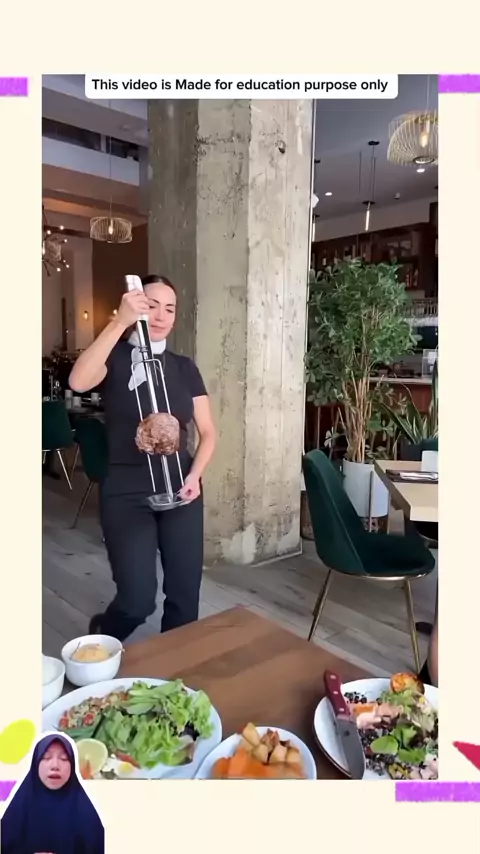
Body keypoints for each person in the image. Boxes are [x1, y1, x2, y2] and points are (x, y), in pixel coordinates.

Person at [69, 275, 216, 642]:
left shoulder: (184, 367)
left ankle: (174, 667)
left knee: (184, 597)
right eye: (151, 305)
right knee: (137, 601)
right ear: (135, 306)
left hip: (181, 488)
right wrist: (119, 322)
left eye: (170, 308)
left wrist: (194, 476)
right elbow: (78, 382)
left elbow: (208, 432)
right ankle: (104, 635)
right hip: (126, 493)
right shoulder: (115, 355)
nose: (161, 315)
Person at [0, 733, 104, 854]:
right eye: (46, 757)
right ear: (35, 764)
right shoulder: (18, 809)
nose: (55, 766)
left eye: (64, 758)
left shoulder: (87, 814)